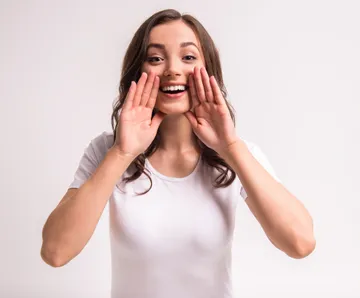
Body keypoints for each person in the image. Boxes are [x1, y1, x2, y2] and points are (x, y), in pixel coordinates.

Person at [41, 9, 316, 298]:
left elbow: (300, 243)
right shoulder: (106, 150)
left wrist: (230, 148)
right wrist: (122, 152)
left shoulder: (238, 153)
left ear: (208, 71)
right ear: (138, 72)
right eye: (156, 58)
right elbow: (55, 252)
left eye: (188, 57)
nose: (172, 69)